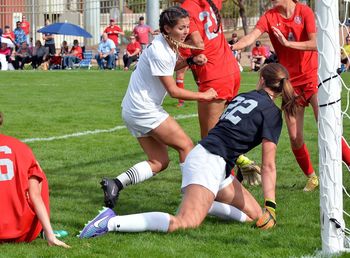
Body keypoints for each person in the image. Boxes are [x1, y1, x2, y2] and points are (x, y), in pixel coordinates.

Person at [79, 63, 297, 238]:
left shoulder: (244, 96)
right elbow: (268, 165)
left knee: (258, 218)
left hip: (212, 161)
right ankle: (109, 222)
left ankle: (204, 203)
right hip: (209, 163)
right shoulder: (272, 113)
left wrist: (239, 161)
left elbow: (226, 133)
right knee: (185, 223)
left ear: (261, 80)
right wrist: (271, 205)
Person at [100, 6, 217, 209]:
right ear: (167, 29)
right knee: (186, 146)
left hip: (132, 109)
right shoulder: (160, 50)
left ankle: (115, 184)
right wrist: (204, 95)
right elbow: (174, 91)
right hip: (143, 109)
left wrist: (189, 60)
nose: (186, 32)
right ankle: (193, 201)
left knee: (159, 161)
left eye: (187, 27)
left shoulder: (165, 43)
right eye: (181, 28)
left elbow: (168, 69)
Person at [232, 0, 350, 191]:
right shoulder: (269, 16)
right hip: (289, 84)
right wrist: (231, 47)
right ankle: (312, 177)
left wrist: (288, 44)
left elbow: (315, 43)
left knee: (329, 127)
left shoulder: (304, 12)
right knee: (295, 137)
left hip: (314, 78)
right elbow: (251, 37)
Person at [177, 0, 261, 185]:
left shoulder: (187, 9)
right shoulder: (207, 2)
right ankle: (234, 172)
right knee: (223, 132)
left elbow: (198, 43)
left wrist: (178, 46)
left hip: (214, 76)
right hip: (230, 71)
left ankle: (230, 185)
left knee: (210, 141)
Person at [0, 113, 70, 248]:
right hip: (23, 233)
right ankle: (45, 230)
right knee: (37, 173)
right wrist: (51, 236)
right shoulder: (20, 147)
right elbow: (35, 195)